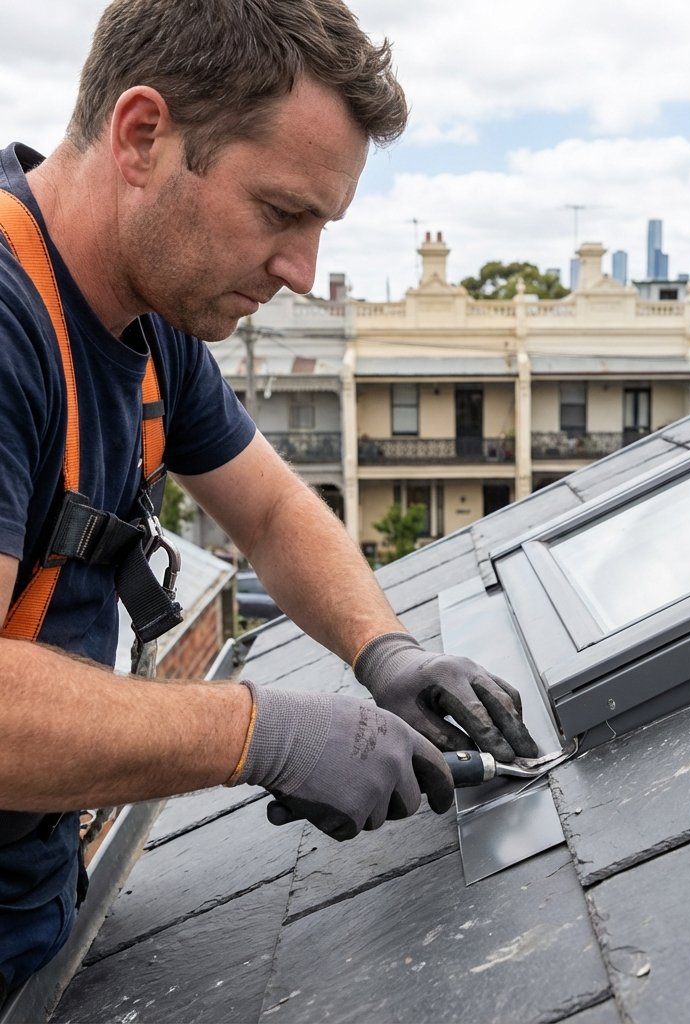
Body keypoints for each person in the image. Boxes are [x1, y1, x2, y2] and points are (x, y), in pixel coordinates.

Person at [0, 0, 538, 999]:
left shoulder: (144, 310)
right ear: (142, 136)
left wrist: (387, 652)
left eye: (320, 226)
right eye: (281, 212)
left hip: (33, 899)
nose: (302, 272)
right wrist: (264, 733)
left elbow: (275, 514)